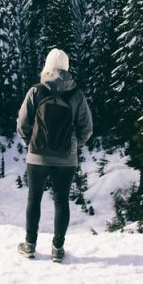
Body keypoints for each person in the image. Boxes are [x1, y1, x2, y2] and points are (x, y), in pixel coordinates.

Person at [16, 48, 93, 263]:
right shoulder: (76, 94)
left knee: (34, 198)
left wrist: (28, 143)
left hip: (37, 155)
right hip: (66, 157)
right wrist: (74, 145)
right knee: (61, 201)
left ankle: (30, 245)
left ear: (47, 67)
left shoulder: (36, 91)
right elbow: (87, 128)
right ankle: (57, 249)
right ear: (67, 68)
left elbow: (22, 123)